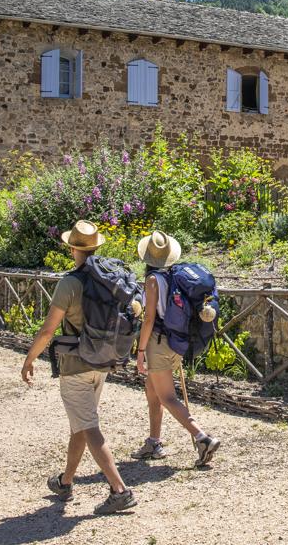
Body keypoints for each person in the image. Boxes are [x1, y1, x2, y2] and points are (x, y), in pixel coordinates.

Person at [21, 220, 137, 514]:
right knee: (81, 424)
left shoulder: (69, 283)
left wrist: (29, 358)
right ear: (96, 247)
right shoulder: (108, 278)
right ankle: (66, 481)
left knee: (89, 426)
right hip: (102, 359)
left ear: (72, 247)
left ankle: (119, 490)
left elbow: (49, 330)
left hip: (75, 364)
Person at [131, 230, 222, 466]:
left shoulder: (152, 281)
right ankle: (154, 442)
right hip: (174, 342)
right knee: (152, 392)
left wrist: (140, 352)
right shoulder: (173, 276)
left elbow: (149, 319)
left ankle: (203, 438)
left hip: (158, 344)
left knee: (168, 397)